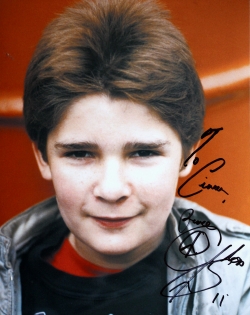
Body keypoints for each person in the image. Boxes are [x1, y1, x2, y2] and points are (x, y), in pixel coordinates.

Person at [0, 0, 249, 314]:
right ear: (43, 157)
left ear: (189, 155)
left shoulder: (241, 279)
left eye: (143, 152)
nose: (112, 190)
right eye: (80, 153)